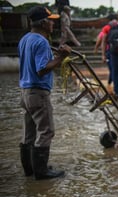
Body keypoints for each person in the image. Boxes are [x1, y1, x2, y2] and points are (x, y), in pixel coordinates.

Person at [18, 6, 71, 180]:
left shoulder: (25, 39)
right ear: (42, 23)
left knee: (29, 132)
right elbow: (41, 69)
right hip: (38, 93)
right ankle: (41, 172)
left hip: (25, 92)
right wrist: (60, 58)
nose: (53, 24)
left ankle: (30, 170)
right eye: (50, 21)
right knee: (46, 130)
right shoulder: (41, 41)